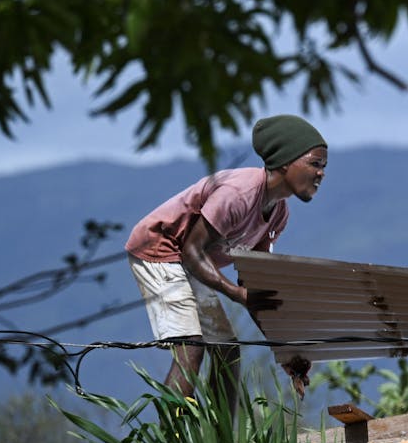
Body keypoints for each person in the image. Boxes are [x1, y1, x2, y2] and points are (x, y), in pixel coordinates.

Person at [124, 114, 327, 408]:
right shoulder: (238, 194)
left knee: (227, 350)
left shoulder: (279, 214)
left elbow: (255, 285)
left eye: (324, 167)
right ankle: (173, 442)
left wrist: (286, 352)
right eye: (315, 164)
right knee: (191, 346)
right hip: (160, 249)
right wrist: (235, 294)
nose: (321, 174)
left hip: (192, 261)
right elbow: (192, 251)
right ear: (286, 161)